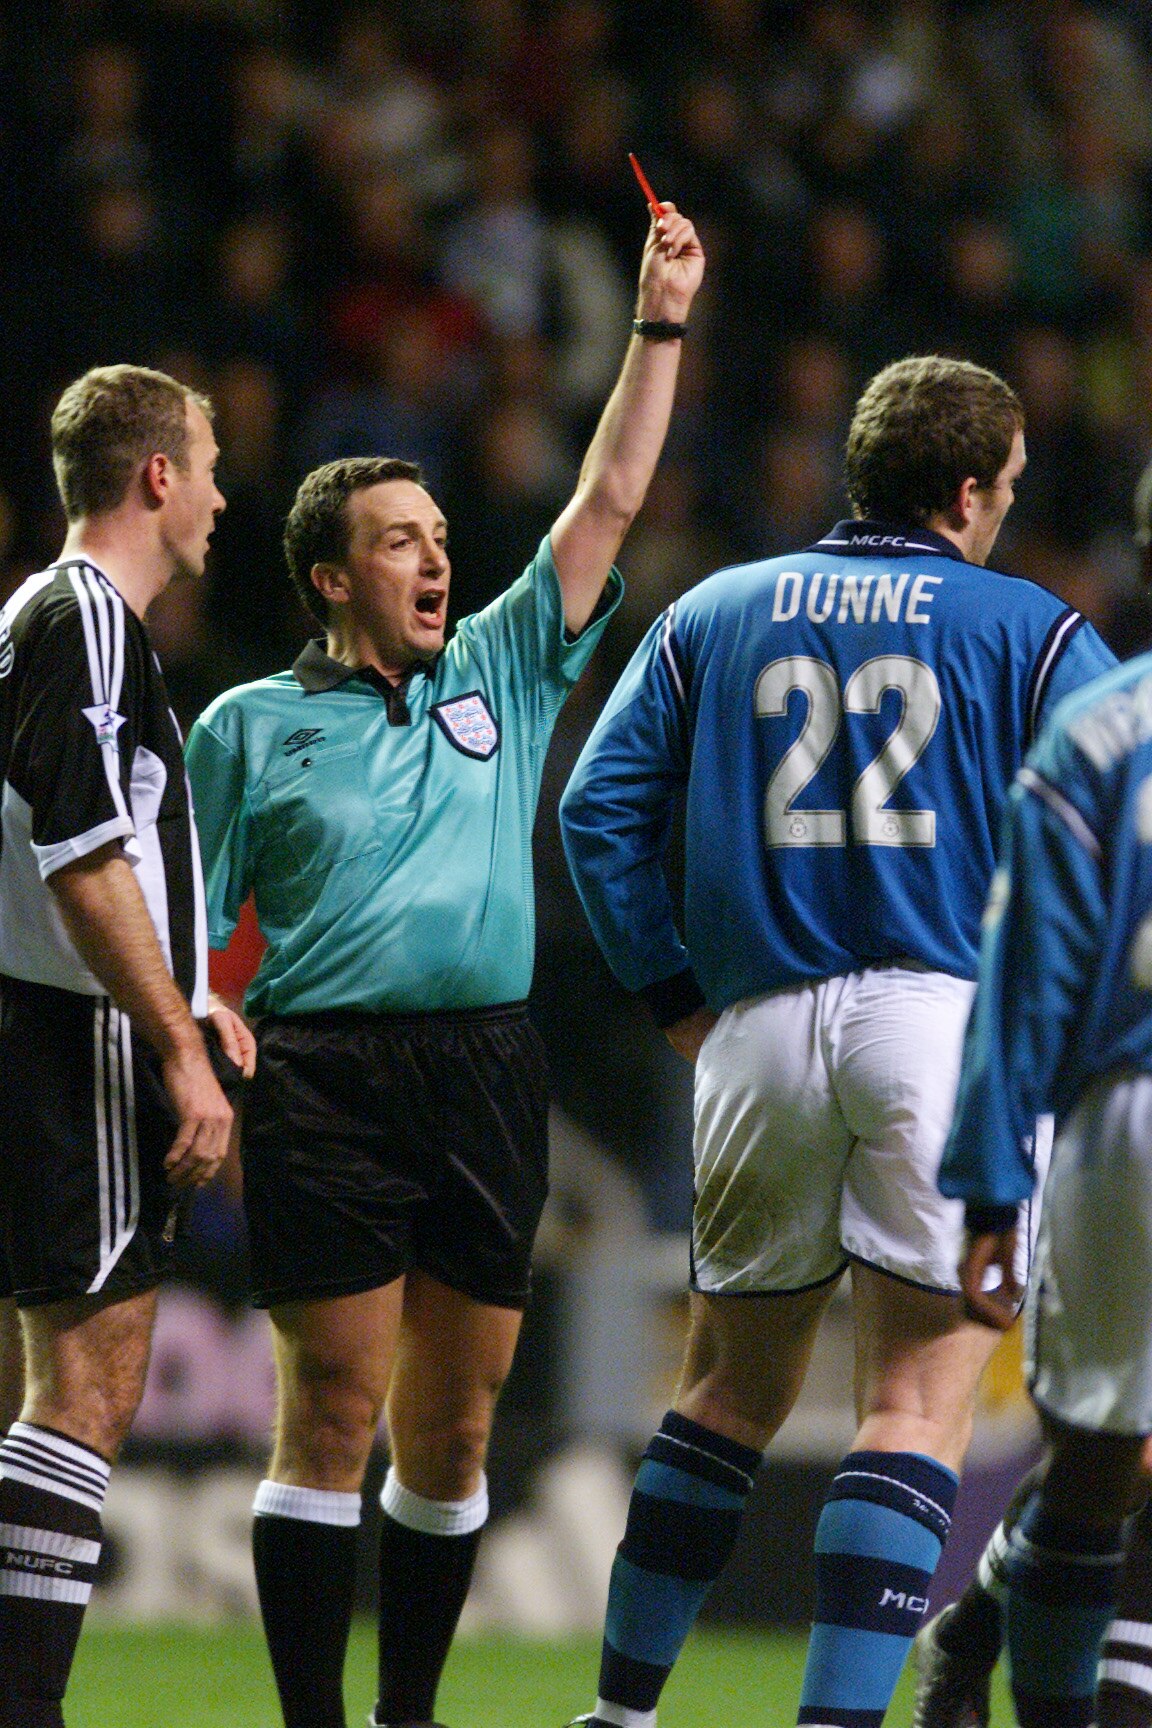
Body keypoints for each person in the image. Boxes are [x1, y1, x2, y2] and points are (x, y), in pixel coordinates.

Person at [183, 202, 705, 1728]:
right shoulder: (246, 729)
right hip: (327, 1075)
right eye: (399, 541)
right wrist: (207, 1018)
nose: (435, 557)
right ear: (331, 579)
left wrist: (659, 322)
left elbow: (609, 495)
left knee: (457, 1430)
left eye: (439, 537)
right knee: (330, 1411)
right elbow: (198, 925)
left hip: (487, 1064)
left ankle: (408, 1717)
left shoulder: (500, 665)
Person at [558, 353, 1117, 1728]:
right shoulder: (1031, 630)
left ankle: (621, 1714)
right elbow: (1119, 815)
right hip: (939, 1025)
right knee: (916, 1400)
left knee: (724, 1393)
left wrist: (675, 994)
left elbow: (594, 811)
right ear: (974, 486)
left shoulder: (715, 609)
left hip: (753, 1030)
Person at [0, 363, 256, 1728]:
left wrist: (191, 993)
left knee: (74, 1375)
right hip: (66, 1030)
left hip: (61, 1015)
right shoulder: (86, 618)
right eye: (208, 465)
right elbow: (79, 851)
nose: (222, 496)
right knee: (84, 1380)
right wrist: (173, 1039)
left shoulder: (65, 623)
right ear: (156, 476)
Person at [909, 450, 1152, 1728]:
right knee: (1113, 1458)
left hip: (1121, 1138)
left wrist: (996, 1183)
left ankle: (997, 1607)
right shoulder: (1103, 729)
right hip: (1133, 1108)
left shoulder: (1097, 730)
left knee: (1122, 1451)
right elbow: (1030, 979)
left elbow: (1023, 976)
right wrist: (995, 1179)